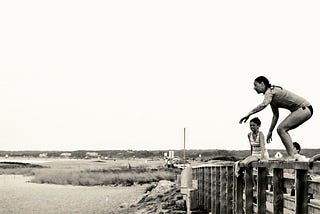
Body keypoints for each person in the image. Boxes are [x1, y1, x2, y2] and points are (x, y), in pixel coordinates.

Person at [239, 76, 313, 161]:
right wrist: (270, 131)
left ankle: (292, 156)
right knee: (282, 129)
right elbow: (275, 116)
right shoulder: (272, 97)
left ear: (262, 84)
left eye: (255, 85)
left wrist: (249, 114)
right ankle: (292, 155)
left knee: (281, 129)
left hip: (304, 108)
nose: (254, 88)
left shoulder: (270, 91)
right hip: (305, 109)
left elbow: (263, 105)